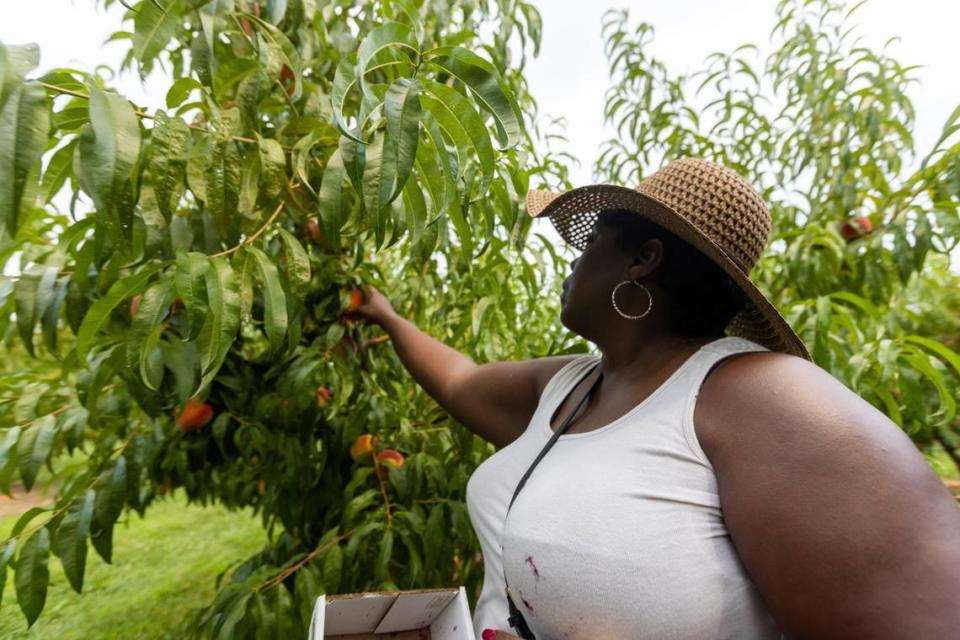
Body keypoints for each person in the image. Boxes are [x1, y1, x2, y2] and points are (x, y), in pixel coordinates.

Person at [350, 158, 960, 639]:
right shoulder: (572, 384)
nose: (572, 262)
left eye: (590, 243)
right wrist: (387, 315)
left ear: (642, 258)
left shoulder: (763, 399)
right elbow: (461, 380)